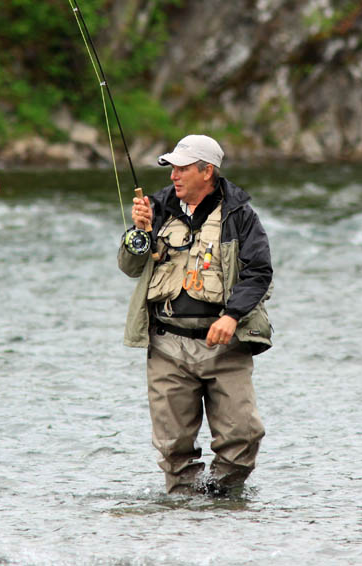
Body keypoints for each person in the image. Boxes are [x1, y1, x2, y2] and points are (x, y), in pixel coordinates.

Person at [118, 134, 274, 496]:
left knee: (244, 437)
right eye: (172, 168)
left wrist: (232, 315)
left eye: (182, 168)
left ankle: (220, 500)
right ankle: (184, 517)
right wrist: (137, 233)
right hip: (167, 343)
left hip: (224, 344)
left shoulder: (240, 216)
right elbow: (129, 267)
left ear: (207, 172)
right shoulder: (154, 209)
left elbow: (259, 273)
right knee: (173, 448)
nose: (173, 175)